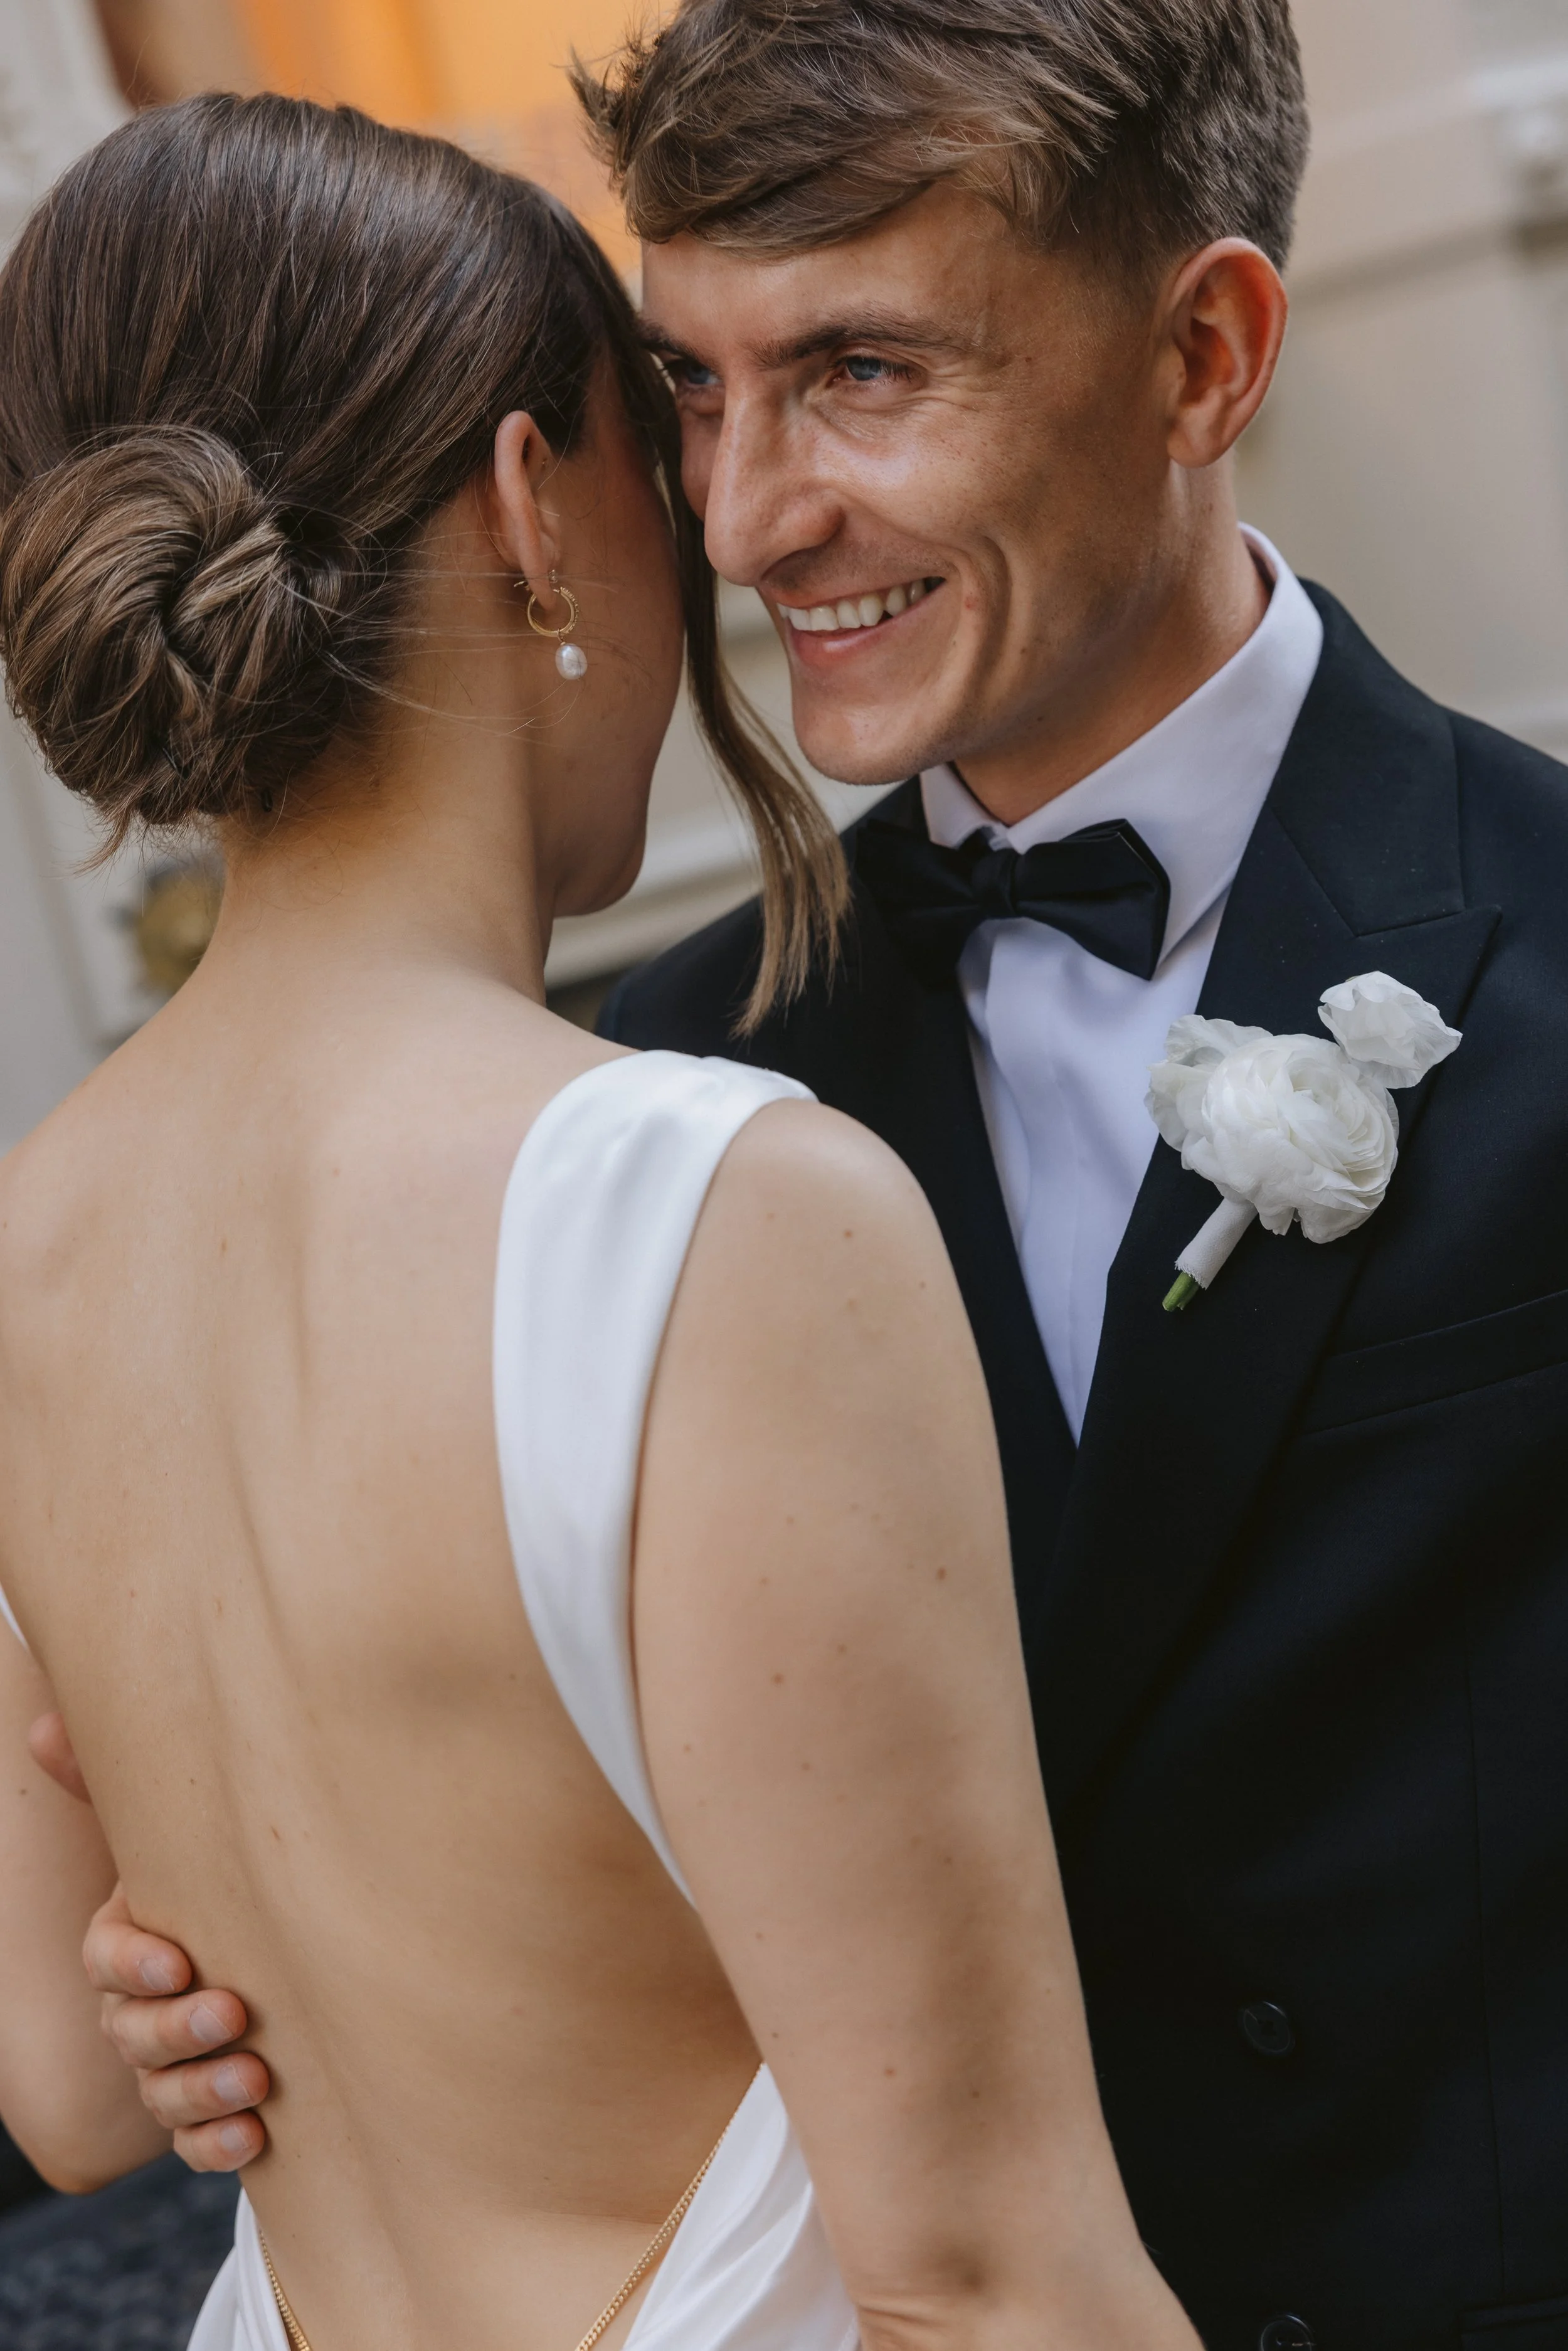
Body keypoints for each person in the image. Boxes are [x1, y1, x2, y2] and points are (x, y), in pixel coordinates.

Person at [98, 2, 1568, 2347]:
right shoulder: (647, 1122)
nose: (748, 514)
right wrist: (240, 1960)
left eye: (862, 371)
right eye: (689, 385)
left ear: (1202, 352)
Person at [0, 92, 1202, 2351]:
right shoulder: (709, 1215)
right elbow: (982, 2273)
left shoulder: (25, 1242)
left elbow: (68, 2093)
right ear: (536, 510)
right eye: (662, 467)